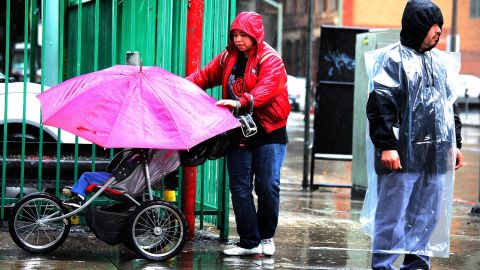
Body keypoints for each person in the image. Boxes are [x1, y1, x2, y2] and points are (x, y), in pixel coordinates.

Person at [363, 1, 463, 269]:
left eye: (440, 26)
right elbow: (380, 105)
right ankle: (383, 265)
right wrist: (387, 146)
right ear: (419, 26)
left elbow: (447, 107)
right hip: (401, 157)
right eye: (434, 25)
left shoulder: (438, 63)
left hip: (434, 158)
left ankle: (417, 265)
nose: (438, 31)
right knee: (392, 217)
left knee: (426, 217)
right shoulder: (391, 60)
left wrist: (455, 144)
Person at [187, 11, 290, 256]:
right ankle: (249, 241)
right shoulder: (227, 58)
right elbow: (204, 76)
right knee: (240, 186)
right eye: (235, 34)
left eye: (243, 34)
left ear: (256, 35)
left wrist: (242, 101)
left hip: (269, 130)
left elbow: (267, 89)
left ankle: (266, 237)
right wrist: (180, 86)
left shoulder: (270, 59)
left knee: (268, 186)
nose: (238, 39)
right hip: (240, 130)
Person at [63, 149, 180, 208]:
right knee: (87, 176)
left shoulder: (138, 155)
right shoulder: (142, 155)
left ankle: (79, 197)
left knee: (87, 176)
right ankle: (77, 190)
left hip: (120, 182)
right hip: (122, 180)